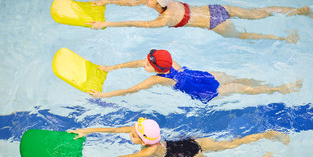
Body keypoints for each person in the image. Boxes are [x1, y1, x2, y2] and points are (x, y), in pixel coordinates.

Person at [87, 0, 313, 43]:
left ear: (158, 3)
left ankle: (283, 39)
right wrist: (107, 1)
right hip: (215, 8)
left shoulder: (164, 18)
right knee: (258, 13)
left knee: (244, 37)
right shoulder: (167, 3)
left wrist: (106, 24)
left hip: (216, 23)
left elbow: (135, 23)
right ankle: (298, 12)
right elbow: (131, 2)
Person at [68, 117, 290, 157]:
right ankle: (267, 135)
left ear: (145, 141)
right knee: (231, 144)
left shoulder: (148, 151)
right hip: (189, 141)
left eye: (134, 134)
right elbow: (116, 129)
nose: (130, 133)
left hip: (190, 154)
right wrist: (87, 131)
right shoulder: (145, 130)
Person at [88, 49, 302, 103]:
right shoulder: (168, 62)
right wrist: (112, 67)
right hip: (203, 75)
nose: (142, 63)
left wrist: (104, 95)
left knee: (243, 88)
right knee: (239, 80)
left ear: (156, 70)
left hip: (204, 89)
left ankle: (279, 89)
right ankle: (272, 84)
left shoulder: (157, 80)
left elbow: (130, 90)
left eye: (147, 64)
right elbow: (138, 62)